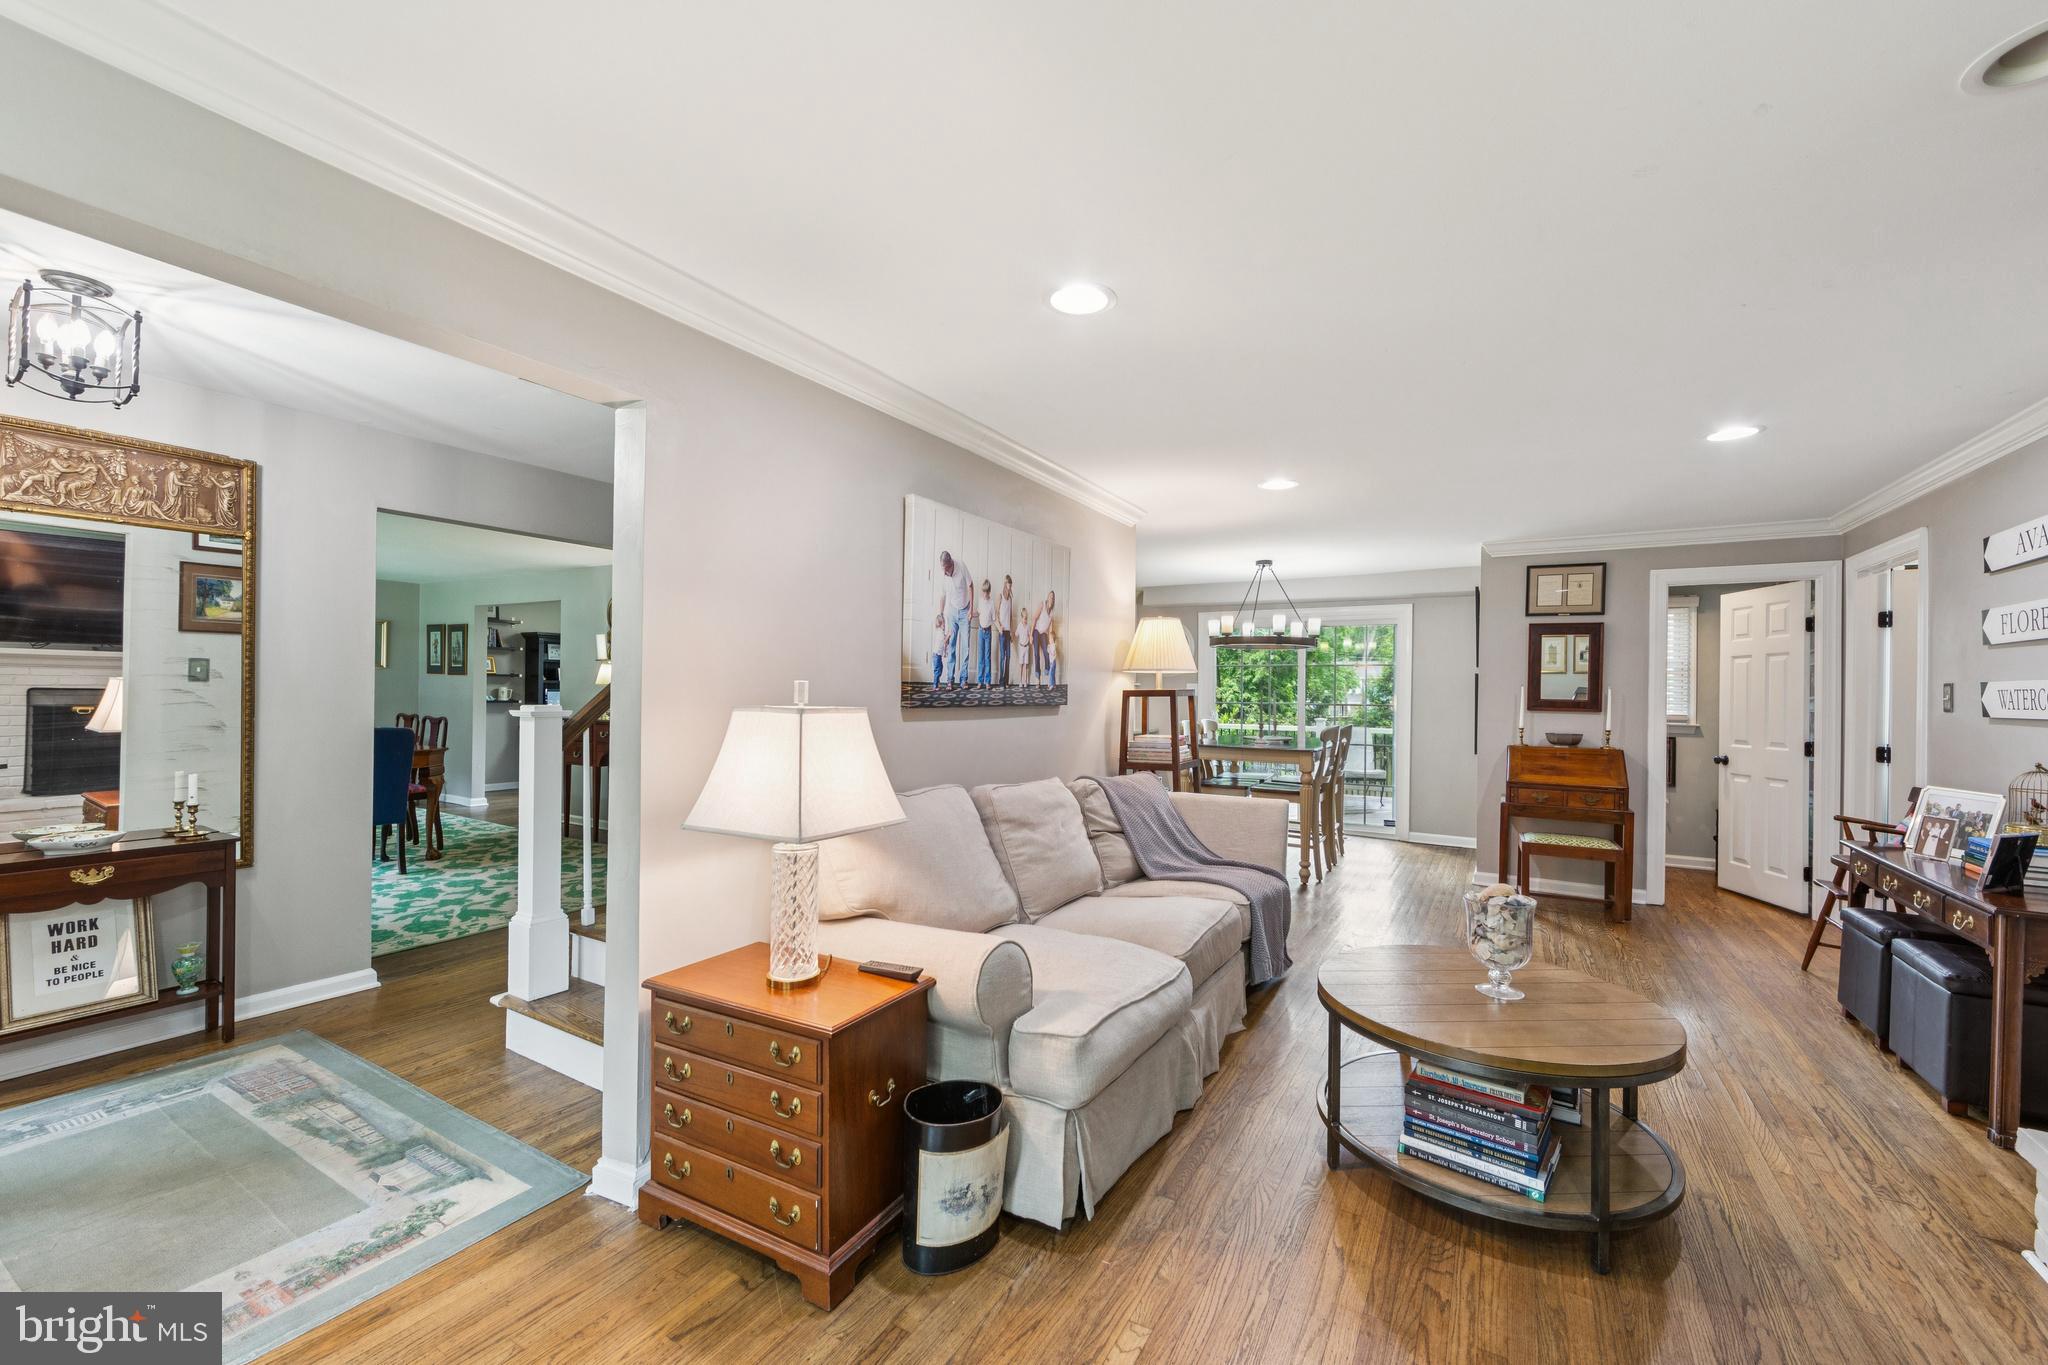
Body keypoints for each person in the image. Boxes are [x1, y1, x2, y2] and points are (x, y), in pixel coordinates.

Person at [938, 550, 974, 686]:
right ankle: (950, 679)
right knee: (951, 645)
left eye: (946, 569)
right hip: (952, 612)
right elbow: (942, 596)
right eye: (943, 569)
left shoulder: (961, 566)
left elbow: (971, 586)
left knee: (965, 646)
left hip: (965, 611)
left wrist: (971, 610)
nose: (944, 572)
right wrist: (941, 614)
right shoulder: (944, 575)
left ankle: (963, 679)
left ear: (951, 563)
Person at [995, 575, 1014, 688]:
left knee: (1009, 656)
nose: (1009, 587)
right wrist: (999, 627)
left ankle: (1006, 681)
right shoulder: (1000, 596)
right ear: (1005, 584)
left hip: (1008, 631)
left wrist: (1011, 631)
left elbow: (1011, 617)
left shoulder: (1010, 599)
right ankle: (1001, 682)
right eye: (1008, 585)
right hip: (1002, 631)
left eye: (1011, 586)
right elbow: (996, 613)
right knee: (1002, 656)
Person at [1032, 590, 1055, 685]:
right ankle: (1038, 678)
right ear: (1047, 597)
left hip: (1044, 634)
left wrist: (1051, 643)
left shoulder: (1052, 613)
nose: (1051, 598)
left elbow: (1050, 629)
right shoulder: (1042, 605)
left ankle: (1047, 672)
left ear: (1053, 600)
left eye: (1053, 597)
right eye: (1050, 596)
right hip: (1036, 631)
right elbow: (1034, 618)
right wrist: (1030, 635)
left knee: (1047, 652)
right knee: (1036, 654)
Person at [976, 579, 994, 686]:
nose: (985, 594)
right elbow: (978, 612)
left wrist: (1000, 627)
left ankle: (987, 681)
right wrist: (970, 614)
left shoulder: (991, 603)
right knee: (981, 657)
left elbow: (993, 618)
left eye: (987, 592)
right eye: (983, 591)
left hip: (988, 632)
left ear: (989, 592)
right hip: (980, 631)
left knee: (987, 657)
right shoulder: (980, 600)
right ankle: (980, 681)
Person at [929, 608, 947, 687]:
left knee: (940, 667)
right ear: (940, 624)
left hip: (938, 654)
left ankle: (937, 681)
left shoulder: (941, 632)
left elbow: (945, 642)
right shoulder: (940, 632)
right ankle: (935, 685)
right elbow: (944, 641)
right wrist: (949, 635)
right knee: (937, 670)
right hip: (936, 654)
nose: (945, 626)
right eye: (943, 624)